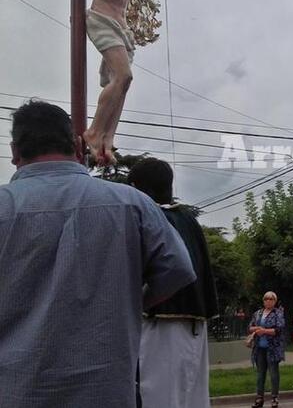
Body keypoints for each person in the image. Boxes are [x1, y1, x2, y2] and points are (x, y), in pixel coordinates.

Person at [0, 100, 195, 407]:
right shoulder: (131, 203)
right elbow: (179, 269)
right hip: (106, 392)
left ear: (14, 151)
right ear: (77, 145)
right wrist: (131, 300)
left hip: (16, 391)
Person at [128, 158, 219, 408]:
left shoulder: (152, 217)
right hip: (195, 325)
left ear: (139, 188)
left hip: (161, 324)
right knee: (193, 399)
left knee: (159, 398)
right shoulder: (188, 219)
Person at [68, 0, 139, 165]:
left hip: (123, 29)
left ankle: (107, 139)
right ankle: (94, 132)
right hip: (103, 21)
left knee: (123, 84)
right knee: (123, 75)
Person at [248, 292, 285, 408]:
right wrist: (258, 329)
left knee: (273, 374)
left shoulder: (278, 313)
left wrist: (264, 331)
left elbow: (278, 329)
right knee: (260, 374)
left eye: (271, 299)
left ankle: (274, 398)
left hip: (272, 349)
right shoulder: (258, 313)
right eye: (266, 299)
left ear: (275, 301)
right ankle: (259, 398)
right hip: (259, 348)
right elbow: (250, 327)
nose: (268, 301)